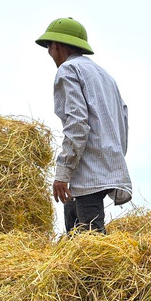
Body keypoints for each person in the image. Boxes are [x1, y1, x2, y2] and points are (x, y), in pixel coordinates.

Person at [35, 17, 133, 233]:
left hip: (87, 169)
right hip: (106, 163)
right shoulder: (105, 76)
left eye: (49, 47)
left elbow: (77, 123)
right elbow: (122, 119)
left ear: (57, 46)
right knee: (73, 227)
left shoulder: (68, 70)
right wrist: (115, 156)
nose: (49, 53)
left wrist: (63, 172)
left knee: (91, 240)